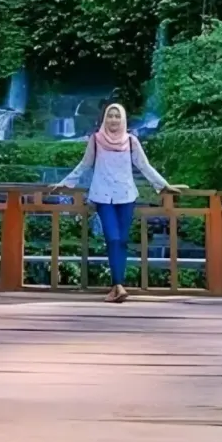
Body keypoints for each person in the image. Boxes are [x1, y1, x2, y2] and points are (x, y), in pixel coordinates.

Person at [52, 103, 185, 303]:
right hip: (103, 197)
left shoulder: (131, 141)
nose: (113, 120)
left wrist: (164, 185)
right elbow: (84, 165)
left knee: (122, 241)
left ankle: (117, 287)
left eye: (117, 116)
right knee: (113, 238)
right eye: (110, 116)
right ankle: (119, 286)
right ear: (105, 119)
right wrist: (65, 184)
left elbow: (144, 166)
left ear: (122, 120)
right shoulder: (96, 140)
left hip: (126, 196)